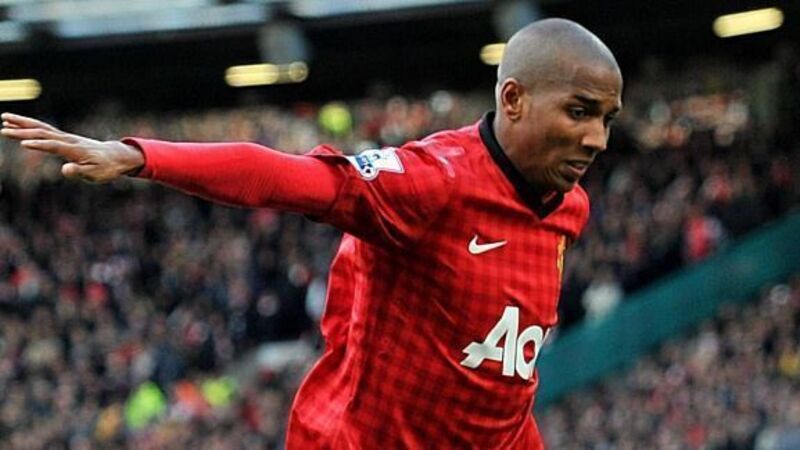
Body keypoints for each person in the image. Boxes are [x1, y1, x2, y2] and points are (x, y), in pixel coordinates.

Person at [2, 18, 622, 450]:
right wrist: (141, 157)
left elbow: (503, 384)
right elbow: (287, 177)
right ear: (513, 99)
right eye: (579, 111)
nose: (597, 139)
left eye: (606, 119)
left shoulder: (569, 208)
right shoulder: (433, 183)